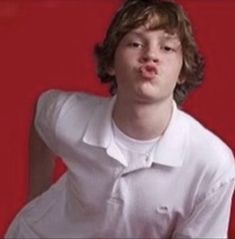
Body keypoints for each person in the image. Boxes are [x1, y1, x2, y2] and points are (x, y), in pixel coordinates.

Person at [5, 0, 235, 238]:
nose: (150, 55)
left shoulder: (212, 165)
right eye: (135, 43)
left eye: (167, 48)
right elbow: (43, 115)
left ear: (183, 70)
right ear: (111, 63)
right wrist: (36, 194)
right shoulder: (66, 113)